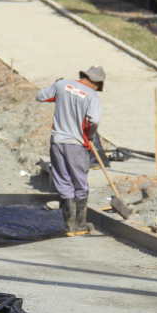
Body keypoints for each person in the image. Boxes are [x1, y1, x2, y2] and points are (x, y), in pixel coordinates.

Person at [36, 66, 105, 236]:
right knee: (80, 182)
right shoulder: (92, 96)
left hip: (57, 141)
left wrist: (58, 87)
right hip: (76, 143)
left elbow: (41, 96)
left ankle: (70, 227)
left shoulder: (62, 84)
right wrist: (89, 134)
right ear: (96, 83)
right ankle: (80, 225)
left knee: (63, 180)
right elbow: (94, 119)